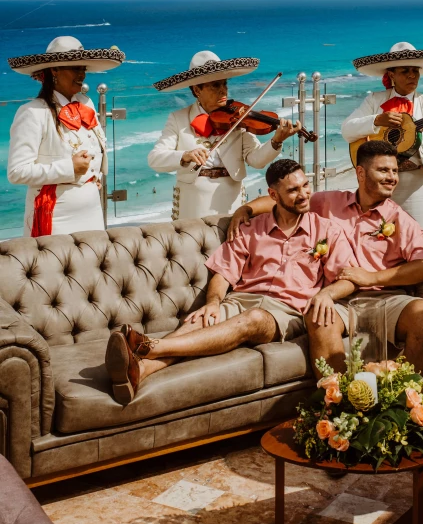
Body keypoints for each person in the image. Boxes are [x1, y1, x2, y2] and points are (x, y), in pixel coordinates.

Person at [104, 158, 357, 405]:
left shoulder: (327, 230)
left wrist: (326, 294)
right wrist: (213, 303)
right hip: (241, 300)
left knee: (254, 319)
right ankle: (142, 368)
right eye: (293, 190)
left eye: (305, 186)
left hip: (286, 311)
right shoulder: (250, 228)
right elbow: (224, 271)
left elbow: (348, 278)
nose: (303, 194)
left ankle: (150, 345)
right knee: (199, 319)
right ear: (273, 195)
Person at [229, 140, 423, 376]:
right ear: (361, 173)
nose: (392, 177)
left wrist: (372, 276)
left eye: (394, 171)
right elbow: (285, 199)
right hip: (338, 301)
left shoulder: (397, 217)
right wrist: (246, 210)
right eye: (383, 170)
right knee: (318, 317)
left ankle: (408, 399)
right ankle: (340, 403)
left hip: (385, 299)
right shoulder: (329, 203)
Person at [148, 51, 300, 221]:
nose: (223, 90)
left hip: (231, 201)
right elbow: (155, 159)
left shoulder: (239, 117)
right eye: (215, 85)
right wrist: (185, 155)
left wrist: (276, 140)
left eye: (225, 84)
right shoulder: (178, 118)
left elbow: (256, 159)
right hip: (193, 204)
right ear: (197, 90)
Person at [341, 42, 423, 240]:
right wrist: (377, 120)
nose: (412, 76)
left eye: (415, 71)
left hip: (419, 184)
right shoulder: (374, 101)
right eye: (405, 71)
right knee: (381, 243)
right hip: (379, 185)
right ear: (391, 75)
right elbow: (347, 130)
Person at [7, 36, 124, 236]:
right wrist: (69, 168)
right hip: (55, 216)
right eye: (75, 68)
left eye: (83, 69)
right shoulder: (33, 112)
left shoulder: (86, 104)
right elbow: (17, 172)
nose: (82, 75)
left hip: (92, 210)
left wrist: (95, 175)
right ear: (54, 70)